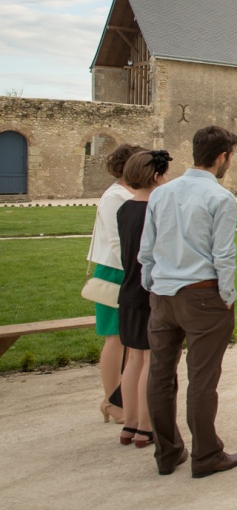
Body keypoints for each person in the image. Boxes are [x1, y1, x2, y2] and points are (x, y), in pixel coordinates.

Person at [140, 125, 237, 478]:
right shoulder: (220, 198)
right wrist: (227, 296)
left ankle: (167, 452)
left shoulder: (161, 194)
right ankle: (206, 453)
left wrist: (152, 286)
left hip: (163, 294)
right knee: (202, 378)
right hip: (202, 294)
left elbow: (147, 249)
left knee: (160, 376)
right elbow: (223, 255)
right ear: (221, 157)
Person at [115, 149, 171, 448]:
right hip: (149, 289)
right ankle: (146, 427)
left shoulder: (124, 209)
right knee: (150, 359)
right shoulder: (156, 209)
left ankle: (130, 423)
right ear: (156, 176)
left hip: (127, 291)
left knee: (133, 358)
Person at [87, 142, 145, 424]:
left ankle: (125, 397)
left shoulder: (130, 193)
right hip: (115, 271)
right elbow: (116, 240)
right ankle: (111, 400)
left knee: (130, 339)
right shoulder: (115, 197)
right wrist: (134, 271)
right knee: (116, 337)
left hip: (130, 271)